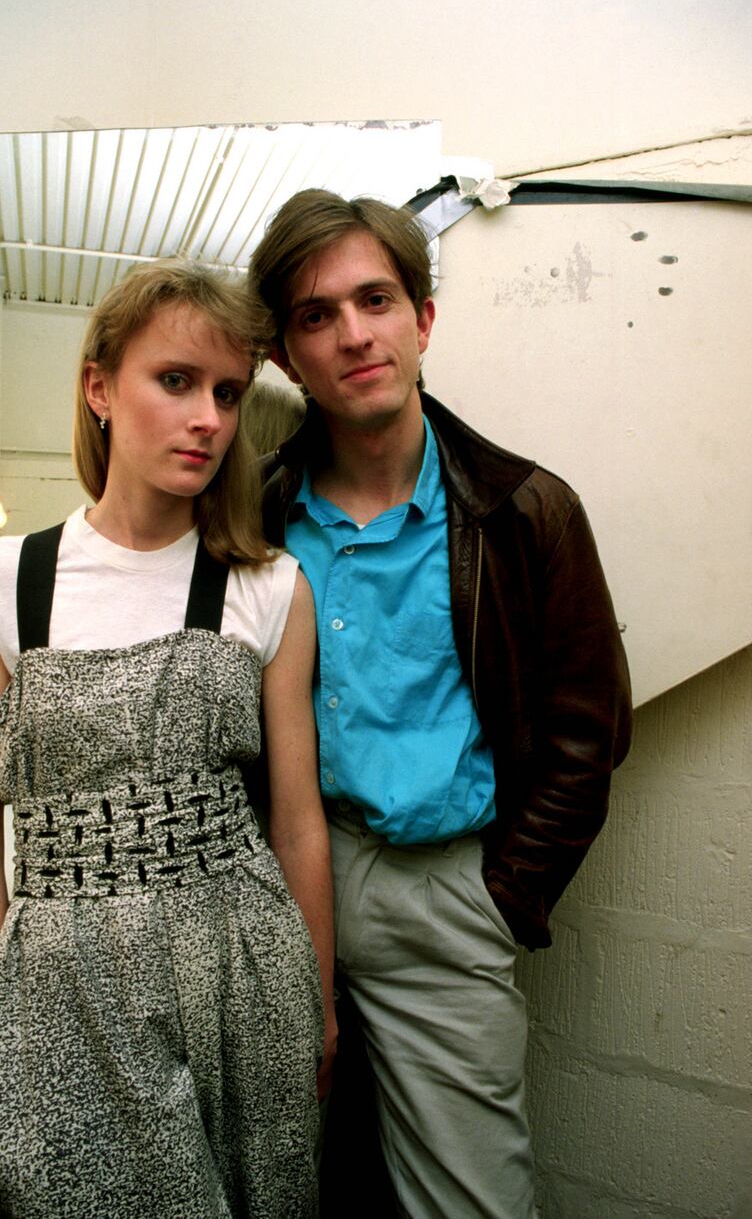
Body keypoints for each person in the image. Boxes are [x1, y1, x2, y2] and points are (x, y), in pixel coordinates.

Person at [246, 189, 633, 1219]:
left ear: (422, 319)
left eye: (375, 300)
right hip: (276, 891)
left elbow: (587, 734)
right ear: (285, 355)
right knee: (276, 1184)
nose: (353, 334)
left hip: (445, 891)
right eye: (316, 315)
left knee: (471, 1202)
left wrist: (502, 894)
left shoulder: (524, 510)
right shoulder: (252, 517)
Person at [0, 258, 336, 1218]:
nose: (208, 417)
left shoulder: (269, 588)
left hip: (239, 976)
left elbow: (297, 824)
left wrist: (318, 1004)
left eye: (227, 393)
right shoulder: (7, 583)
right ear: (100, 389)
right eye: (175, 380)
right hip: (59, 989)